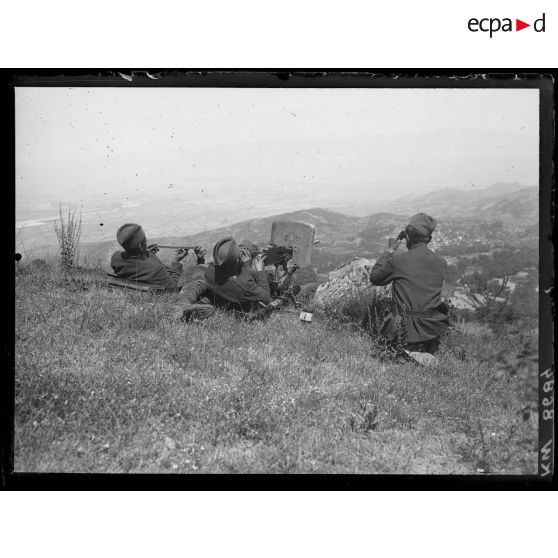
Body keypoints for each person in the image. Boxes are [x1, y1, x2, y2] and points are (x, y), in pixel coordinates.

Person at [369, 213, 449, 354]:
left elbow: (375, 278)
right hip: (431, 330)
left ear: (407, 238)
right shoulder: (442, 263)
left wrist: (389, 250)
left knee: (383, 305)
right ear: (429, 239)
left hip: (404, 331)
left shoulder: (399, 260)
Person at [180, 237, 271, 313]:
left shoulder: (212, 269)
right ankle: (187, 304)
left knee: (198, 290)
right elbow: (265, 297)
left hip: (202, 278)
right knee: (198, 287)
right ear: (236, 259)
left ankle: (185, 304)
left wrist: (200, 260)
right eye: (240, 249)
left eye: (247, 251)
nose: (243, 253)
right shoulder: (243, 283)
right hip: (210, 283)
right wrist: (259, 269)